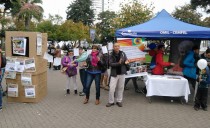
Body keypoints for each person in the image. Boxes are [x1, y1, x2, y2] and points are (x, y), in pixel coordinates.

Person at [106, 43, 129, 107]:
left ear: (119, 47)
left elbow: (126, 60)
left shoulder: (123, 53)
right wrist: (118, 63)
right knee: (111, 88)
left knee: (121, 88)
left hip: (122, 73)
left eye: (118, 46)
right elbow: (111, 64)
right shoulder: (111, 54)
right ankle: (111, 101)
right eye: (115, 46)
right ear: (113, 47)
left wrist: (126, 62)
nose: (117, 47)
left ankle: (119, 101)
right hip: (114, 74)